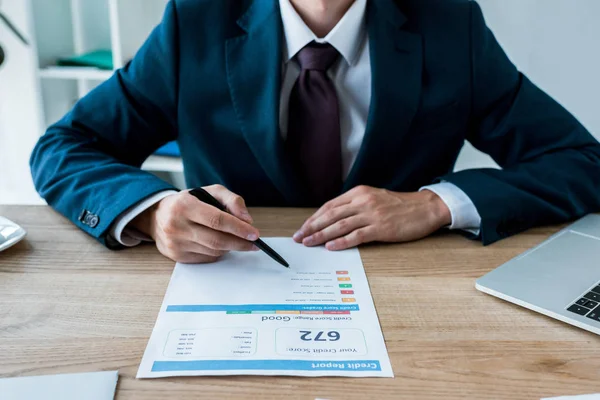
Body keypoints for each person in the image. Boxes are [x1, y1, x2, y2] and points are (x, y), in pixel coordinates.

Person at [30, 0, 600, 264]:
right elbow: (64, 147)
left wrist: (435, 205)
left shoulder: (450, 23)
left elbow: (581, 160)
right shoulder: (194, 20)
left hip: (409, 294)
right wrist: (154, 212)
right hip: (228, 285)